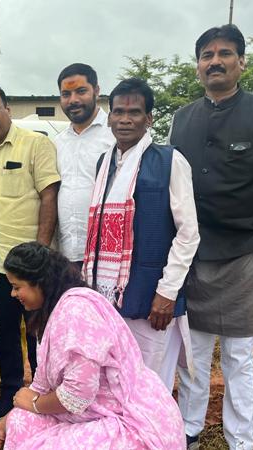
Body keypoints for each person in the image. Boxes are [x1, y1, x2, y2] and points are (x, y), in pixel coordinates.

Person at [169, 25, 253, 450]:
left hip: (248, 253)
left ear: (241, 62)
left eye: (225, 53)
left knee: (240, 358)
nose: (215, 61)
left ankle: (241, 439)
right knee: (194, 355)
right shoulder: (181, 119)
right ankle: (188, 428)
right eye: (207, 55)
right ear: (197, 67)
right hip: (193, 256)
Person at [0, 242, 185, 450]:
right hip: (94, 411)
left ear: (39, 283)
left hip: (128, 421)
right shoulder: (56, 309)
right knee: (21, 420)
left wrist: (34, 403)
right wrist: (7, 423)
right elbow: (42, 384)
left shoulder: (76, 314)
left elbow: (76, 396)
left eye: (16, 287)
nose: (12, 294)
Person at [83, 78, 199, 388]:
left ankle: (155, 436)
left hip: (151, 295)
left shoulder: (169, 161)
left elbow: (188, 233)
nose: (124, 119)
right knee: (113, 376)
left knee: (149, 382)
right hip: (106, 292)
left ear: (149, 119)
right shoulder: (104, 164)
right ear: (108, 117)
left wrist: (167, 292)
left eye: (134, 112)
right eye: (118, 112)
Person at [0, 84, 60, 421]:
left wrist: (41, 253)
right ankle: (10, 395)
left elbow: (50, 197)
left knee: (39, 334)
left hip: (33, 267)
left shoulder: (36, 145)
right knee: (4, 332)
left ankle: (44, 400)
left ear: (7, 109)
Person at [52, 63, 115, 267]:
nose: (73, 100)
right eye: (66, 94)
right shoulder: (57, 142)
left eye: (81, 91)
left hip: (107, 253)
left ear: (96, 91)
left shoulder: (115, 135)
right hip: (66, 255)